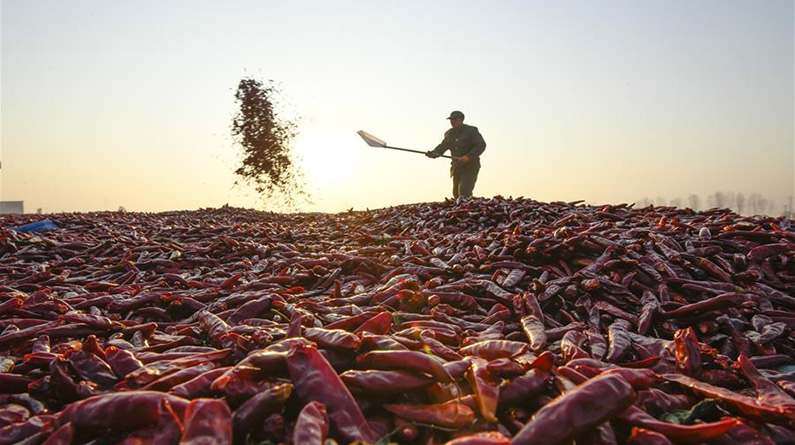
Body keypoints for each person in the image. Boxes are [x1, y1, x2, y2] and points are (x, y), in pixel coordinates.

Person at [426, 110, 486, 199]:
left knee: (464, 190)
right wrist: (434, 153)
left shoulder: (471, 131)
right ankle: (460, 210)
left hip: (470, 166)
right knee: (456, 194)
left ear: (461, 119)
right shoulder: (449, 134)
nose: (452, 121)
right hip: (457, 167)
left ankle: (467, 209)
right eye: (451, 120)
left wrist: (468, 156)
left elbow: (481, 145)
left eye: (455, 119)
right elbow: (442, 147)